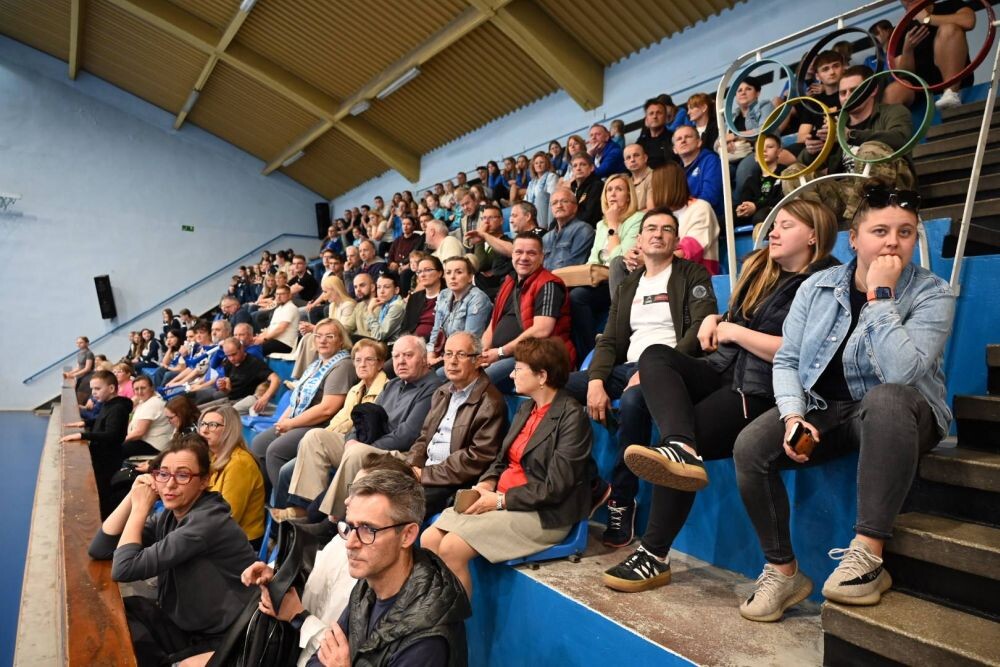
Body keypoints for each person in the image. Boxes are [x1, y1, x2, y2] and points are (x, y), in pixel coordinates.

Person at [733, 180, 954, 621]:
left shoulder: (932, 292)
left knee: (887, 399)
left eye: (905, 232)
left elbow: (904, 375)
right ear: (853, 239)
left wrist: (880, 296)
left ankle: (868, 556)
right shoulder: (817, 286)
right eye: (880, 231)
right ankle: (783, 572)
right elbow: (788, 359)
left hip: (904, 413)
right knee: (750, 447)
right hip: (826, 410)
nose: (893, 242)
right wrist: (793, 416)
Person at [601, 199, 838, 592]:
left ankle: (654, 554)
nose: (773, 232)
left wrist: (735, 332)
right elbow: (732, 325)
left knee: (677, 448)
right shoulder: (761, 268)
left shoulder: (825, 282)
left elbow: (804, 354)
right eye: (774, 224)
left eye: (786, 225)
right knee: (656, 356)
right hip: (721, 370)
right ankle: (680, 446)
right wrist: (717, 319)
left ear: (813, 235)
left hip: (761, 390)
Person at [565, 207, 718, 547]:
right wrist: (595, 381)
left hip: (672, 368)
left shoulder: (692, 274)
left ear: (676, 240)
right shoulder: (629, 284)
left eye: (667, 229)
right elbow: (610, 340)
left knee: (634, 399)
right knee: (554, 385)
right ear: (640, 238)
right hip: (627, 367)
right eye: (651, 228)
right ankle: (591, 483)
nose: (658, 234)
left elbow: (699, 327)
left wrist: (655, 371)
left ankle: (622, 499)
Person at [423, 337, 591, 599]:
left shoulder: (572, 417)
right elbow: (501, 459)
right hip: (500, 499)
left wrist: (500, 500)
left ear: (542, 376)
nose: (511, 374)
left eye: (518, 369)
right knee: (430, 539)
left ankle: (451, 620)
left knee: (452, 547)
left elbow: (556, 487)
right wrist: (486, 483)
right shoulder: (526, 408)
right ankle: (433, 609)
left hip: (543, 512)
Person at [88, 436, 256, 666]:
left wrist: (140, 508)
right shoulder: (172, 514)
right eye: (163, 473)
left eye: (183, 475)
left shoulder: (206, 523)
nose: (170, 484)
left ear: (204, 480)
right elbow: (101, 548)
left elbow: (124, 568)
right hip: (186, 623)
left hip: (225, 639)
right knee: (120, 611)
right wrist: (132, 496)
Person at [242, 455, 419, 666]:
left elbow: (341, 654)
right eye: (352, 489)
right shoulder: (345, 537)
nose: (347, 500)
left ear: (406, 535)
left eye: (363, 492)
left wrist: (298, 617)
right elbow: (314, 575)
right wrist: (279, 575)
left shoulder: (375, 575)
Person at [318, 332, 507, 523]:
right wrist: (411, 466)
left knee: (385, 500)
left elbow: (476, 458)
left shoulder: (490, 402)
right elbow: (424, 437)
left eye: (461, 354)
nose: (452, 361)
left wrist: (424, 474)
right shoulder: (443, 392)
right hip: (424, 469)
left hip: (449, 481)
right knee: (366, 476)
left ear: (477, 360)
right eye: (448, 354)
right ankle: (334, 524)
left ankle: (339, 528)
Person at [301, 469, 470, 666]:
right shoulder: (367, 587)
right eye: (350, 527)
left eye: (368, 529)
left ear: (407, 535)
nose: (351, 543)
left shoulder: (427, 639)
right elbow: (320, 659)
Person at [282, 336, 442, 518]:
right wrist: (351, 439)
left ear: (424, 358)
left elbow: (407, 435)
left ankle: (332, 519)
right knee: (316, 437)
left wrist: (362, 446)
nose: (401, 361)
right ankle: (305, 509)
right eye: (397, 356)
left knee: (356, 452)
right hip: (371, 446)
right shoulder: (393, 384)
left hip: (400, 455)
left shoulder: (433, 388)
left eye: (408, 355)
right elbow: (365, 419)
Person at [785, 65, 916, 224]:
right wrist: (813, 151)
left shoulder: (893, 111)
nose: (847, 97)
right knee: (793, 172)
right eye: (842, 93)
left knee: (870, 150)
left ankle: (856, 224)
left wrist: (850, 135)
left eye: (854, 90)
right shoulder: (836, 124)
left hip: (890, 188)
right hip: (845, 191)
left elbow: (901, 138)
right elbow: (804, 163)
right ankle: (816, 229)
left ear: (872, 90)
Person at [251, 319, 355, 487]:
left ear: (341, 341)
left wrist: (291, 424)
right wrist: (282, 422)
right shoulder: (316, 365)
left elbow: (327, 409)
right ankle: (267, 496)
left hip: (321, 426)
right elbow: (296, 399)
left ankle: (287, 502)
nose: (322, 340)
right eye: (318, 336)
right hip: (300, 421)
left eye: (329, 336)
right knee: (259, 444)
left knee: (276, 451)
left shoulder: (343, 366)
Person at [481, 232, 575, 392]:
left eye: (531, 253)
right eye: (519, 252)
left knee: (476, 381)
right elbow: (493, 323)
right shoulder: (508, 282)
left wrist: (500, 352)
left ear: (542, 257)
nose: (524, 258)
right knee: (448, 374)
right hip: (503, 355)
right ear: (512, 255)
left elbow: (542, 330)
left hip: (536, 356)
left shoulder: (549, 284)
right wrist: (483, 353)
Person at [570, 174, 645, 362]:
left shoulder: (638, 219)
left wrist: (613, 225)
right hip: (600, 281)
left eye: (619, 189)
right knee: (573, 296)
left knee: (580, 296)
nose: (613, 194)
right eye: (609, 190)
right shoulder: (600, 224)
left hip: (624, 278)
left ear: (628, 196)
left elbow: (621, 258)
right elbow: (593, 258)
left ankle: (610, 343)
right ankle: (588, 353)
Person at [61, 370, 134, 518]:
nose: (93, 392)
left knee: (103, 492)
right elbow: (103, 419)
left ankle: (103, 521)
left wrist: (83, 435)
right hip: (101, 455)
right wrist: (86, 422)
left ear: (111, 388)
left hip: (108, 458)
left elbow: (112, 434)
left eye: (97, 388)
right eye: (92, 389)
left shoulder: (118, 408)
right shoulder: (108, 404)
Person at [885, 0, 976, 110]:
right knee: (892, 91)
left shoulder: (949, 6)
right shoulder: (900, 30)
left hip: (956, 80)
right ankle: (891, 120)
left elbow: (969, 21)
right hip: (922, 87)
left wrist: (928, 19)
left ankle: (951, 93)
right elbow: (904, 74)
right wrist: (908, 49)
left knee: (948, 29)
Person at [198, 406, 267, 545]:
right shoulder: (214, 456)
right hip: (214, 532)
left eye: (213, 425)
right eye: (203, 424)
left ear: (230, 430)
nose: (204, 430)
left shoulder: (239, 463)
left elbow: (228, 518)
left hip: (239, 543)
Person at [427, 257, 492, 366]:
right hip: (446, 353)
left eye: (459, 272)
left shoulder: (478, 299)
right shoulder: (443, 294)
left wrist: (445, 358)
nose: (452, 277)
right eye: (448, 272)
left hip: (465, 357)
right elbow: (436, 330)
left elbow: (469, 339)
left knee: (433, 373)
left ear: (470, 277)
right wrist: (430, 355)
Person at [673, 124, 724, 221]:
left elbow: (710, 197)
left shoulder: (711, 160)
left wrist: (682, 208)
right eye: (679, 139)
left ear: (699, 142)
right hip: (685, 218)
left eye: (688, 137)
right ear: (674, 149)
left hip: (709, 218)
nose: (683, 141)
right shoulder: (676, 172)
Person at [542, 188, 596, 270]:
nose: (559, 206)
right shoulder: (546, 237)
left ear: (575, 207)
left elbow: (575, 266)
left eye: (564, 201)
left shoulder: (583, 230)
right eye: (554, 203)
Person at [122, 376, 174, 457]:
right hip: (146, 441)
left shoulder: (153, 403)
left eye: (143, 388)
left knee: (116, 449)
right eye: (136, 389)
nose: (140, 392)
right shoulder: (145, 400)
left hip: (154, 445)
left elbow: (139, 432)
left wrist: (120, 441)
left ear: (152, 388)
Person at [253, 285, 300, 355]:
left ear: (289, 295)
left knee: (255, 350)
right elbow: (270, 328)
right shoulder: (278, 309)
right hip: (275, 340)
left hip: (285, 343)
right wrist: (259, 337)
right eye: (277, 294)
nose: (278, 297)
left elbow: (281, 328)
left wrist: (264, 339)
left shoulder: (291, 308)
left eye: (282, 294)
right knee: (250, 345)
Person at [636, 97, 676, 169]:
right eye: (651, 113)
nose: (655, 116)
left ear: (665, 117)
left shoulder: (674, 138)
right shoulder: (640, 143)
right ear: (646, 118)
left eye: (659, 113)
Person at [567, 152, 605, 226]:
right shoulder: (571, 189)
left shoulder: (597, 186)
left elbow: (589, 216)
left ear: (592, 168)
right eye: (575, 166)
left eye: (583, 164)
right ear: (572, 170)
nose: (578, 168)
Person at [525, 152, 561, 230]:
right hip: (532, 210)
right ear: (533, 166)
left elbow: (552, 196)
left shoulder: (551, 176)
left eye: (541, 162)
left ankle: (543, 230)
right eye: (536, 163)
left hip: (545, 208)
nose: (539, 165)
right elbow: (526, 199)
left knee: (541, 195)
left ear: (547, 164)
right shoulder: (531, 183)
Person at [64, 335, 96, 403]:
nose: (79, 344)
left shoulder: (89, 353)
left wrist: (74, 375)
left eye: (81, 342)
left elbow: (87, 368)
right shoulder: (79, 353)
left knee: (81, 397)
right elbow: (78, 367)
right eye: (77, 343)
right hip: (80, 377)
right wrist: (70, 373)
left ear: (87, 343)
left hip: (87, 377)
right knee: (76, 395)